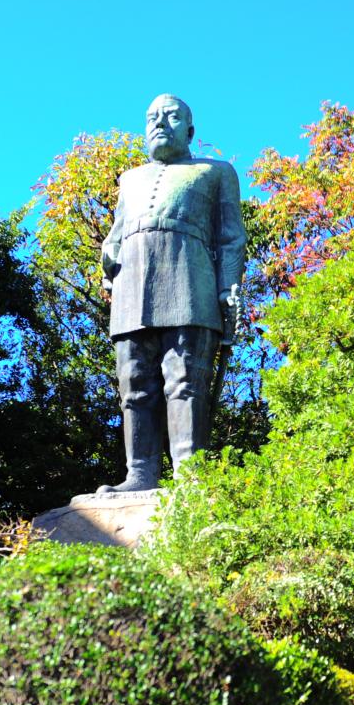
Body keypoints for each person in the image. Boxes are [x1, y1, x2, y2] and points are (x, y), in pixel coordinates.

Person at [97, 94, 244, 493]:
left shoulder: (215, 172)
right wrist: (108, 256)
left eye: (172, 116)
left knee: (185, 380)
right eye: (151, 117)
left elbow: (231, 238)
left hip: (190, 281)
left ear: (190, 130)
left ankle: (190, 476)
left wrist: (227, 288)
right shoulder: (130, 178)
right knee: (133, 380)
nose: (160, 123)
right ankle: (140, 473)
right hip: (132, 285)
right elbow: (116, 232)